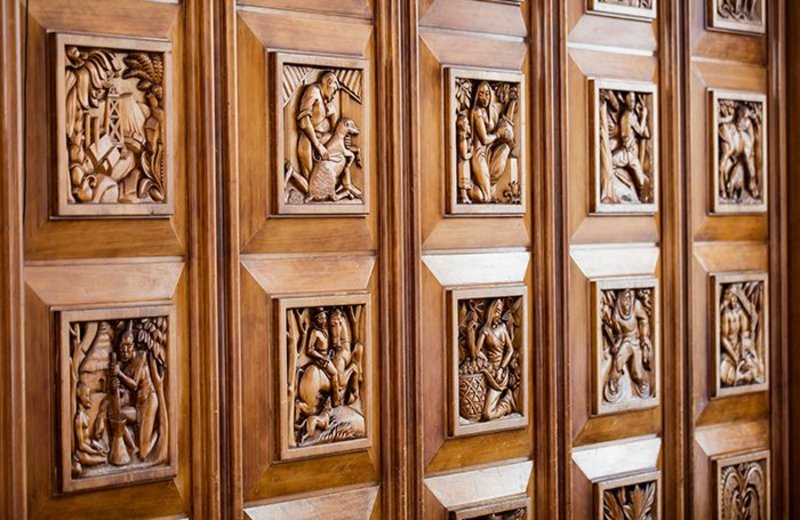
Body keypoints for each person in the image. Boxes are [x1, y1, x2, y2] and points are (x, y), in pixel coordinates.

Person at [604, 289, 653, 401]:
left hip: (636, 341)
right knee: (618, 361)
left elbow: (644, 320)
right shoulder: (616, 314)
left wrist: (644, 337)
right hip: (626, 341)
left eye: (629, 298)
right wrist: (616, 345)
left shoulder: (636, 305)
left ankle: (641, 381)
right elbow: (619, 335)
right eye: (625, 299)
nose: (628, 302)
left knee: (636, 371)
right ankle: (613, 382)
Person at [296, 72, 341, 179]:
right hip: (309, 140)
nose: (334, 95)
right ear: (329, 83)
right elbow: (304, 122)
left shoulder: (329, 104)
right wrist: (318, 146)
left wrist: (343, 137)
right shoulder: (313, 91)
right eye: (334, 91)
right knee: (311, 181)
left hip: (323, 140)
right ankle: (292, 173)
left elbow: (336, 131)